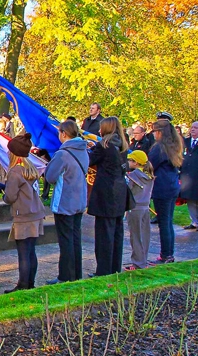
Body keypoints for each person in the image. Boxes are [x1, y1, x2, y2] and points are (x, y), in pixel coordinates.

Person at [44, 120, 88, 284]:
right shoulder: (83, 150)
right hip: (79, 200)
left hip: (64, 202)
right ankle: (76, 274)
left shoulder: (63, 154)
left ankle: (65, 276)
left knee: (66, 241)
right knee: (75, 239)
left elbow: (50, 177)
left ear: (63, 133)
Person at [1, 133, 46, 292]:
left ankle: (23, 285)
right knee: (31, 251)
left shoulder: (15, 171)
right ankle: (30, 283)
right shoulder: (30, 168)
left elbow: (10, 197)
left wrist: (4, 193)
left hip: (23, 214)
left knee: (23, 253)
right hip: (35, 212)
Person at [87, 116, 130, 277]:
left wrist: (89, 149)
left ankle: (103, 270)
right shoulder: (122, 145)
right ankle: (114, 267)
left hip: (106, 194)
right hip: (119, 192)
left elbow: (90, 160)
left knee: (104, 235)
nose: (99, 130)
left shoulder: (104, 145)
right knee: (117, 233)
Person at [148, 119, 183, 264]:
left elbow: (150, 165)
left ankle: (165, 255)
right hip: (171, 186)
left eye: (155, 131)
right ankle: (169, 253)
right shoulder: (173, 145)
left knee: (164, 223)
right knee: (168, 221)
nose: (153, 134)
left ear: (160, 132)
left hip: (162, 188)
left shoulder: (159, 148)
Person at [124, 150, 153, 270]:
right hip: (145, 208)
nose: (128, 162)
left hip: (135, 208)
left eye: (130, 160)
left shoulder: (133, 176)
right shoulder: (149, 175)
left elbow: (127, 191)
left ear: (135, 162)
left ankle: (138, 263)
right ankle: (143, 260)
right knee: (144, 235)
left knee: (135, 236)